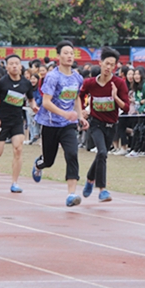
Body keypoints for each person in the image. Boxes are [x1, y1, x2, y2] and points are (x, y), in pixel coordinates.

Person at [31, 41, 89, 207]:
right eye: (66, 53)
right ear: (58, 56)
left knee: (72, 154)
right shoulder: (52, 77)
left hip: (68, 125)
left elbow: (76, 98)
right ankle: (38, 165)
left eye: (71, 53)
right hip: (50, 123)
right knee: (48, 161)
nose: (69, 56)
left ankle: (71, 194)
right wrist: (65, 113)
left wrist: (80, 116)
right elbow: (46, 102)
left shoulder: (77, 77)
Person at [79, 47, 129, 202]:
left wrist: (115, 97)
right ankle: (102, 190)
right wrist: (82, 111)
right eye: (106, 63)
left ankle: (89, 179)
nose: (108, 67)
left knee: (102, 154)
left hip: (111, 126)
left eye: (112, 65)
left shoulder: (119, 83)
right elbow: (79, 96)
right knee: (102, 152)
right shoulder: (90, 83)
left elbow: (126, 107)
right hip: (95, 124)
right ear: (100, 63)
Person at [0, 54, 38, 193]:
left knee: (18, 149)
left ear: (21, 66)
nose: (14, 66)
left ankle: (15, 182)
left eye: (17, 63)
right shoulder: (2, 83)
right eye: (11, 64)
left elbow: (31, 99)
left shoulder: (26, 83)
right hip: (2, 121)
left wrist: (34, 106)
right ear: (7, 67)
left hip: (17, 121)